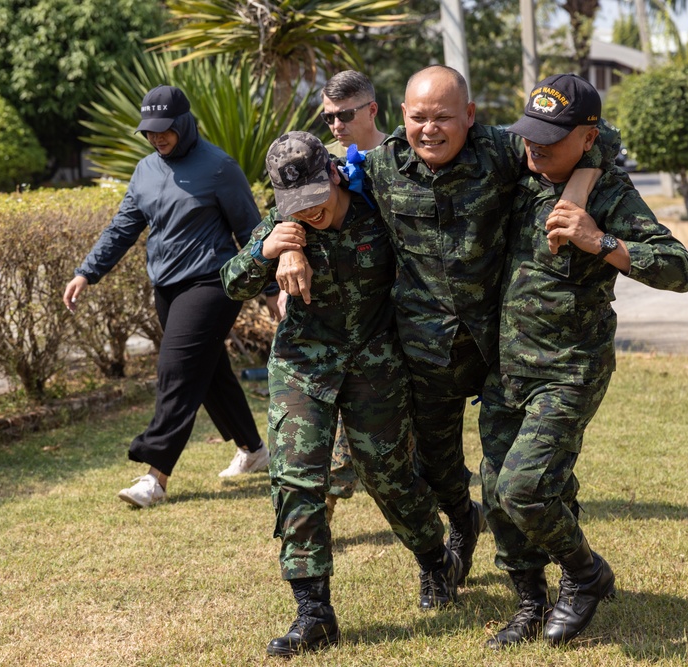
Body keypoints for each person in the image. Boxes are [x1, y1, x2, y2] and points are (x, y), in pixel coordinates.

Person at [276, 65, 609, 603]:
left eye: (443, 117)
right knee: (435, 467)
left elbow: (598, 135)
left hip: (497, 347)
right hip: (424, 351)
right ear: (400, 116)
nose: (430, 129)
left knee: (525, 467)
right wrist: (289, 245)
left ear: (470, 117)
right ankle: (461, 524)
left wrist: (579, 186)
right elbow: (301, 195)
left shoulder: (501, 150)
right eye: (419, 117)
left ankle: (569, 563)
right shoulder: (379, 166)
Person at [222, 132, 462, 657]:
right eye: (294, 205)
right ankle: (314, 612)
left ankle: (434, 559)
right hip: (304, 363)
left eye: (314, 199)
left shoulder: (378, 209)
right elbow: (232, 282)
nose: (308, 213)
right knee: (296, 477)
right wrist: (271, 250)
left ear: (333, 174)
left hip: (374, 361)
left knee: (389, 475)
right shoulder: (284, 225)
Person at [480, 73, 688, 648]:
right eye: (530, 134)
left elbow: (680, 269)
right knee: (495, 490)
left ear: (586, 135)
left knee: (524, 487)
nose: (535, 147)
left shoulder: (610, 194)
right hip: (507, 367)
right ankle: (530, 600)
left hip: (569, 368)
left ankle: (585, 575)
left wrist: (600, 240)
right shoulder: (526, 173)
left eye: (551, 138)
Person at [63, 85, 272, 509]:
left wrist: (269, 289)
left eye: (165, 130)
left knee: (175, 372)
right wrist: (88, 271)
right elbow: (123, 227)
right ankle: (254, 450)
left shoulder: (219, 167)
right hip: (168, 287)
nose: (158, 138)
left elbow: (251, 232)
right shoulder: (145, 170)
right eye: (150, 132)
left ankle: (155, 476)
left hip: (213, 283)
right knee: (209, 372)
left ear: (182, 123)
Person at [318, 70, 390, 522]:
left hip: (398, 310)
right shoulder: (319, 158)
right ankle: (320, 511)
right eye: (329, 117)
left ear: (372, 110)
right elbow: (289, 212)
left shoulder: (404, 155)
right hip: (341, 315)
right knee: (337, 423)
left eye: (345, 115)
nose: (337, 126)